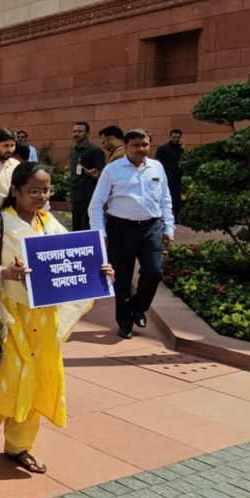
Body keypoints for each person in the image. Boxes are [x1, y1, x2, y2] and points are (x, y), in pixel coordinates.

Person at [0, 161, 115, 475]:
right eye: (34, 190)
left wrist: (99, 271)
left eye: (46, 190)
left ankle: (19, 446)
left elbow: (73, 261)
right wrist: (3, 273)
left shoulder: (50, 223)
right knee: (7, 378)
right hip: (11, 316)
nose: (41, 196)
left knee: (36, 382)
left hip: (44, 320)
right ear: (16, 191)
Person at [89, 129, 174, 339]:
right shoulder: (112, 170)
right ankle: (125, 323)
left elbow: (165, 199)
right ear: (127, 146)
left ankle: (138, 307)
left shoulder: (157, 167)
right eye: (136, 145)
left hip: (151, 228)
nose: (141, 149)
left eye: (145, 144)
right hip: (121, 229)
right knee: (122, 279)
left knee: (154, 271)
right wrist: (100, 234)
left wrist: (169, 227)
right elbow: (96, 204)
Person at [69, 121, 106, 231]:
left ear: (87, 133)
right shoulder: (73, 151)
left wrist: (96, 174)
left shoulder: (95, 151)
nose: (76, 134)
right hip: (75, 196)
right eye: (74, 131)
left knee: (87, 228)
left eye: (80, 131)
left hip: (89, 197)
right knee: (76, 229)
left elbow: (102, 175)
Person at [156, 129, 184, 216]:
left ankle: (176, 217)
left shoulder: (180, 150)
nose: (176, 139)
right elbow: (157, 162)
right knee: (166, 198)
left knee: (177, 199)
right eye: (174, 137)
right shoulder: (162, 148)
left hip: (177, 177)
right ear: (170, 137)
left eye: (178, 137)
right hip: (166, 177)